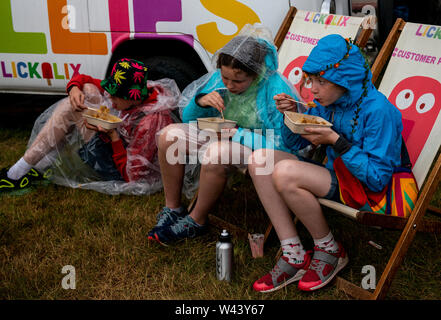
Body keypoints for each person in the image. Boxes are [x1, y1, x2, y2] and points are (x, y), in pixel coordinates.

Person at [248, 34, 403, 292]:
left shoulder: (378, 111)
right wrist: (291, 115)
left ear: (345, 80)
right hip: (335, 178)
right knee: (259, 160)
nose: (313, 89)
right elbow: (296, 144)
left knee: (285, 172)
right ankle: (294, 252)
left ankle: (330, 250)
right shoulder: (327, 103)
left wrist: (336, 141)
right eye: (311, 81)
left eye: (321, 81)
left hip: (369, 192)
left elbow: (378, 178)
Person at [147, 24, 299, 245]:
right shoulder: (221, 79)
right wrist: (201, 101)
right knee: (169, 136)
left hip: (260, 149)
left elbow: (284, 144)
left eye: (238, 81)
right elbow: (190, 120)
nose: (229, 85)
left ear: (256, 74)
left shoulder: (274, 89)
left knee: (217, 153)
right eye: (225, 77)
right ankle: (172, 208)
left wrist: (236, 134)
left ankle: (196, 220)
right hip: (228, 135)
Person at [0, 58, 180, 195]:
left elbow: (133, 177)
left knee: (72, 108)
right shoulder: (138, 91)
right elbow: (85, 79)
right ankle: (35, 168)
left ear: (131, 97)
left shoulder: (150, 121)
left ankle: (18, 173)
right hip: (116, 146)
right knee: (86, 90)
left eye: (115, 96)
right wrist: (74, 88)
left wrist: (113, 137)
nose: (110, 98)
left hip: (120, 171)